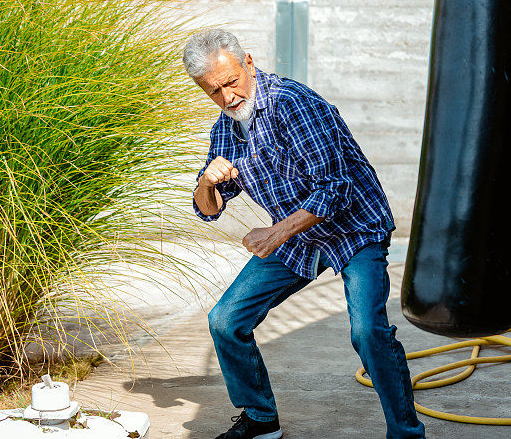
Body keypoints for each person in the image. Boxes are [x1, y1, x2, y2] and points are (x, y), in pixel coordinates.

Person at [182, 29, 426, 439]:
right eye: (214, 92)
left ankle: (405, 434)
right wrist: (207, 183)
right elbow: (208, 211)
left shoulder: (293, 105)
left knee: (368, 331)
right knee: (225, 320)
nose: (227, 98)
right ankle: (261, 421)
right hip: (298, 238)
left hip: (354, 229)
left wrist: (277, 232)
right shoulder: (224, 131)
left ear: (250, 65)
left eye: (231, 82)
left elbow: (336, 189)